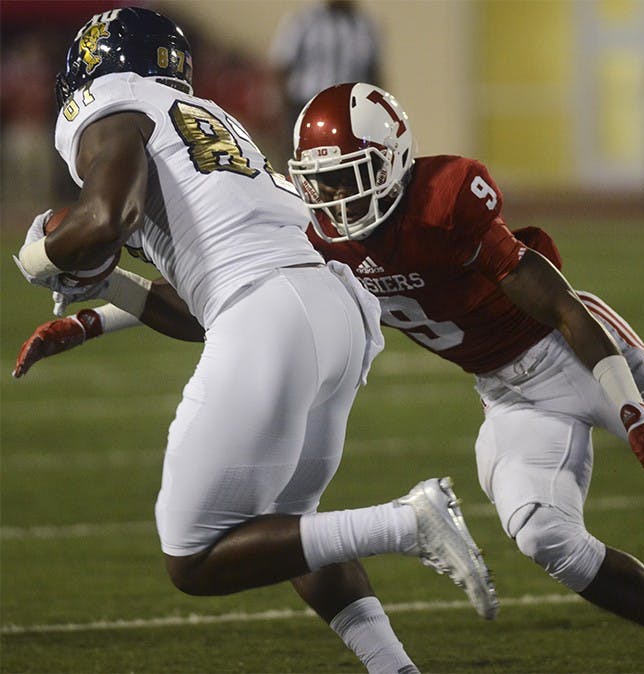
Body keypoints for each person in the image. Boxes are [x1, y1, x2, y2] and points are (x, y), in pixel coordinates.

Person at [17, 82, 644, 671]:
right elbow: (213, 317)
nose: (334, 200)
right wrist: (108, 312)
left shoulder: (443, 195)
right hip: (504, 392)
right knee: (545, 537)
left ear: (390, 162)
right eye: (321, 180)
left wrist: (631, 412)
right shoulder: (324, 234)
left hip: (579, 359)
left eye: (349, 176)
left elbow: (563, 307)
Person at [11, 11, 496, 674]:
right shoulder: (203, 118)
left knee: (194, 558)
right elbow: (199, 310)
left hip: (271, 310)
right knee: (292, 531)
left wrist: (42, 255)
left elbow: (104, 216)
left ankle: (406, 523)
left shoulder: (113, 103)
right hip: (335, 309)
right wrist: (111, 286)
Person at [269, 1, 381, 149]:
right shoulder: (304, 21)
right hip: (305, 107)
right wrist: (281, 113)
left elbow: (373, 74)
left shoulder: (366, 26)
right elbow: (281, 66)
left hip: (349, 113)